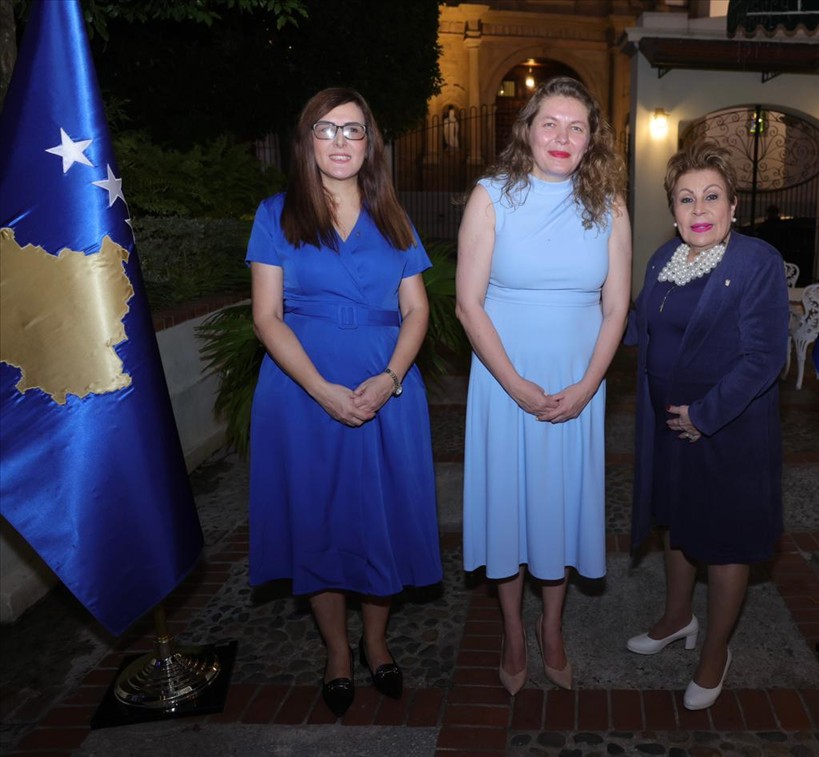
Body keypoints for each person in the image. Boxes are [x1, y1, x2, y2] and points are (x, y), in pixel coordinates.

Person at [246, 87, 442, 717]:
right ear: (307, 141)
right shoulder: (276, 214)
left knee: (381, 518)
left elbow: (417, 309)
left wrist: (390, 378)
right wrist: (320, 390)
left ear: (369, 143)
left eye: (352, 130)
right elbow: (267, 317)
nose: (339, 141)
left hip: (388, 392)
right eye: (326, 129)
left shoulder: (394, 216)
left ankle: (376, 642)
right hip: (303, 393)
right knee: (320, 520)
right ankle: (336, 650)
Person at [456, 76, 631, 695]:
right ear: (527, 130)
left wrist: (587, 386)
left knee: (559, 506)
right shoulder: (491, 196)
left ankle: (551, 627)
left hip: (578, 382)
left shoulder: (609, 204)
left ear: (591, 140)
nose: (562, 136)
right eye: (550, 123)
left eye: (576, 127)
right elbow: (468, 305)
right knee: (508, 506)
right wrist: (515, 385)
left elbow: (617, 307)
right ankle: (511, 629)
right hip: (503, 380)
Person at [626, 141, 788, 710]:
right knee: (676, 524)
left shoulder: (755, 262)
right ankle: (677, 618)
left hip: (727, 429)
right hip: (667, 427)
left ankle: (716, 651)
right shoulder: (663, 260)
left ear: (733, 205)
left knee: (724, 543)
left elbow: (765, 357)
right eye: (686, 198)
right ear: (672, 210)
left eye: (712, 196)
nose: (699, 209)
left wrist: (705, 415)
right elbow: (637, 327)